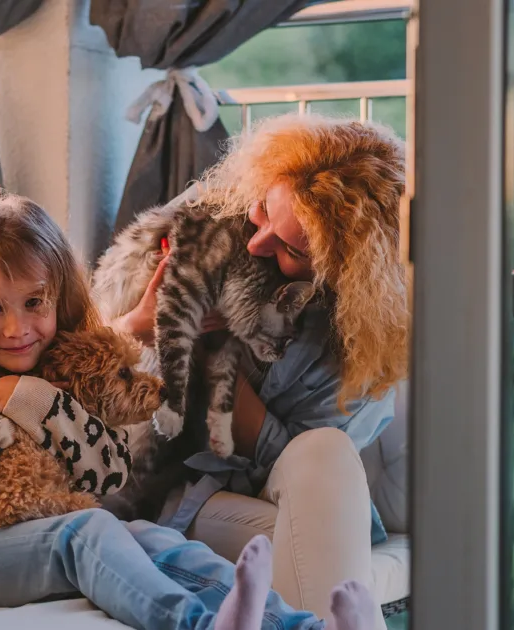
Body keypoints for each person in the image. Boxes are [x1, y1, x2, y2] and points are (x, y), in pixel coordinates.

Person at [0, 186, 382, 629]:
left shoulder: (53, 370)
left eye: (34, 303)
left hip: (36, 534)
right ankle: (197, 626)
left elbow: (109, 473)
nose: (17, 328)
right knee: (86, 530)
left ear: (58, 298)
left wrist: (43, 403)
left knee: (153, 541)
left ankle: (306, 627)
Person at [111, 114, 409, 621]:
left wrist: (215, 345)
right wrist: (139, 324)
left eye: (291, 248)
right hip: (188, 492)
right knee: (323, 552)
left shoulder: (363, 338)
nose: (256, 242)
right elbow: (79, 353)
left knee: (325, 452)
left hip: (290, 490)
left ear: (341, 270)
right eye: (265, 209)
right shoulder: (213, 216)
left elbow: (283, 461)